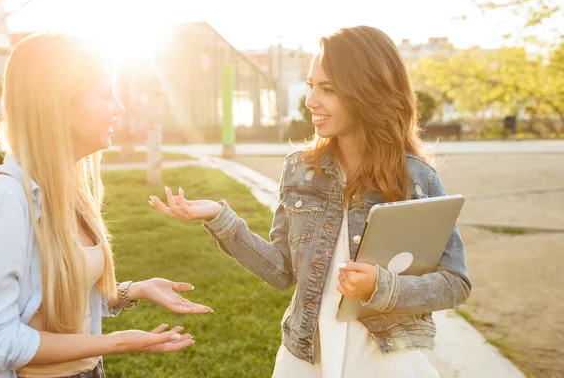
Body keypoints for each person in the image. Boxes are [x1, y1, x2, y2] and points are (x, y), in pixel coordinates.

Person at [150, 26, 471, 377]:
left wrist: (382, 288)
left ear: (368, 91)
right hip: (305, 359)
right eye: (311, 86)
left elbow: (455, 284)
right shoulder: (300, 170)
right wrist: (220, 218)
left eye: (328, 89)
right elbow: (282, 272)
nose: (310, 101)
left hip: (388, 360)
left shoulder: (417, 179)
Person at [0, 33, 212, 378]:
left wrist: (134, 290)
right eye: (107, 95)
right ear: (59, 107)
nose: (120, 108)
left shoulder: (70, 188)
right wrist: (117, 342)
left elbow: (59, 300)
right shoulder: (4, 200)